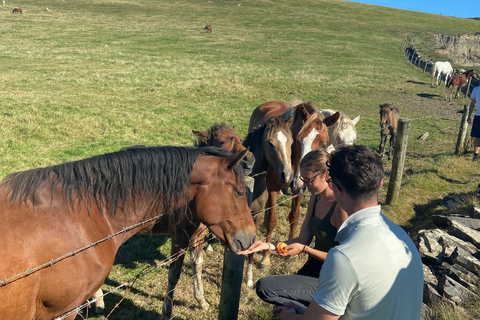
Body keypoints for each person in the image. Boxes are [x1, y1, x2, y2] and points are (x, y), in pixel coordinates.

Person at [273, 145, 424, 320]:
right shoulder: (403, 239)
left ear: (336, 188)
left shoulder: (344, 257)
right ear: (380, 183)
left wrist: (288, 317)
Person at [237, 148, 348, 308]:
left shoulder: (340, 208)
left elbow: (344, 260)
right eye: (303, 178)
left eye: (309, 180)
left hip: (334, 276)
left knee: (271, 292)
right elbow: (302, 239)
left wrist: (305, 250)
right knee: (277, 300)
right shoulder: (315, 199)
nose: (304, 185)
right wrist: (268, 246)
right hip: (314, 266)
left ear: (327, 175)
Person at [467, 84, 480, 162]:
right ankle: (476, 155)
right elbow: (472, 104)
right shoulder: (475, 90)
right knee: (477, 137)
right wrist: (469, 115)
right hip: (478, 116)